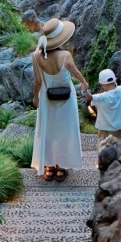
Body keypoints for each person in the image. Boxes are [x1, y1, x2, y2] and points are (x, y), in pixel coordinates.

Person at [29, 17, 90, 183]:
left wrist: (35, 98)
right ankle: (62, 167)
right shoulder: (66, 55)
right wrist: (84, 83)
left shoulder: (36, 56)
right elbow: (76, 73)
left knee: (48, 132)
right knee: (65, 132)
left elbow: (38, 81)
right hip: (66, 101)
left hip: (47, 100)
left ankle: (48, 168)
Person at [88, 68, 121, 149]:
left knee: (103, 153)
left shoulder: (102, 96)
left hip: (105, 131)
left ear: (103, 84)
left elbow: (90, 98)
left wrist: (84, 90)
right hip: (120, 129)